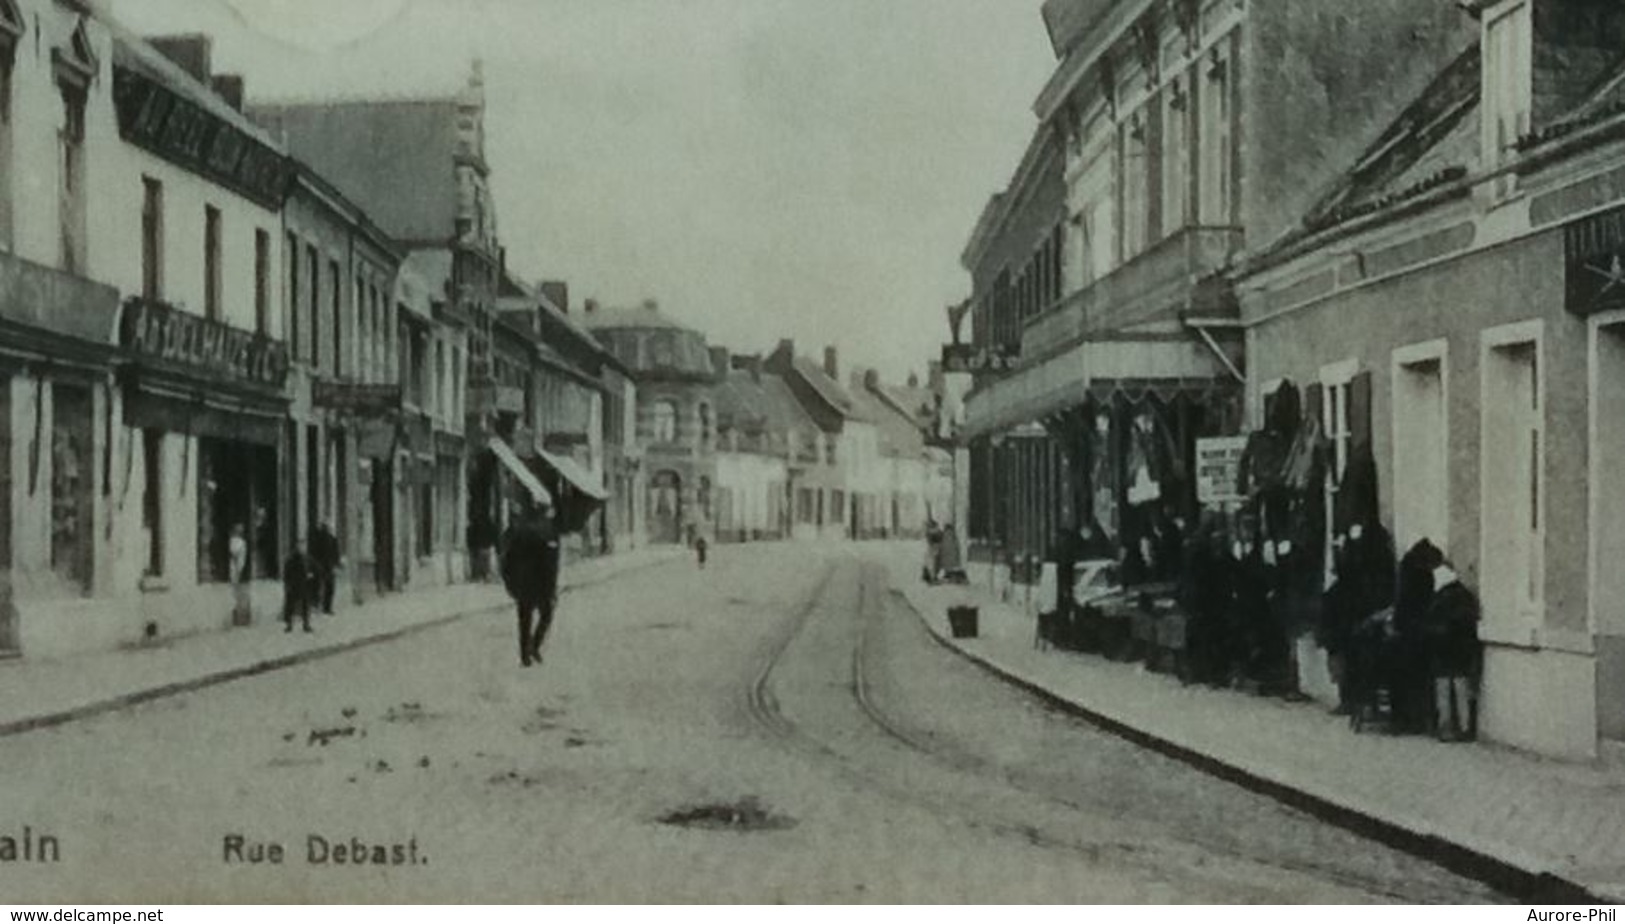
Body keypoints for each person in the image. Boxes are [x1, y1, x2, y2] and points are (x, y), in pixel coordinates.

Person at [501, 496, 562, 667]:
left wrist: (510, 583)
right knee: (546, 615)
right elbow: (549, 565)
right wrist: (552, 589)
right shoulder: (547, 532)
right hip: (540, 585)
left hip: (522, 585)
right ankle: (534, 646)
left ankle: (524, 656)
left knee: (524, 620)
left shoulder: (519, 531)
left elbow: (506, 560)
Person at [1423, 561, 1481, 742]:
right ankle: (1465, 727)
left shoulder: (1440, 599)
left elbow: (1431, 624)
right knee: (1461, 687)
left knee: (1443, 690)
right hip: (1462, 650)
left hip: (1442, 650)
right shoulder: (1466, 596)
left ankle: (1445, 726)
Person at [282, 537, 315, 634]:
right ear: (297, 546)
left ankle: (306, 624)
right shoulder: (292, 558)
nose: (303, 547)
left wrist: (311, 574)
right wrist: (288, 584)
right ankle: (289, 625)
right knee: (290, 605)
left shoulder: (307, 558)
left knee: (305, 605)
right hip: (294, 584)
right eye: (301, 545)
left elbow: (314, 567)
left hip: (304, 584)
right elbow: (287, 572)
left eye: (304, 545)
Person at [311, 521, 340, 616]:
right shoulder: (331, 539)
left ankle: (320, 606)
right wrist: (336, 565)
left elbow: (335, 553)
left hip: (323, 567)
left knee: (320, 587)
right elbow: (336, 554)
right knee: (328, 588)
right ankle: (326, 607)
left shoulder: (318, 539)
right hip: (326, 567)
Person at [229, 523, 251, 627]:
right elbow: (240, 559)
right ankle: (240, 617)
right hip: (236, 570)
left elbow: (240, 558)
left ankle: (240, 617)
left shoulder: (238, 542)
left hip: (236, 570)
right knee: (238, 594)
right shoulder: (240, 543)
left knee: (238, 594)